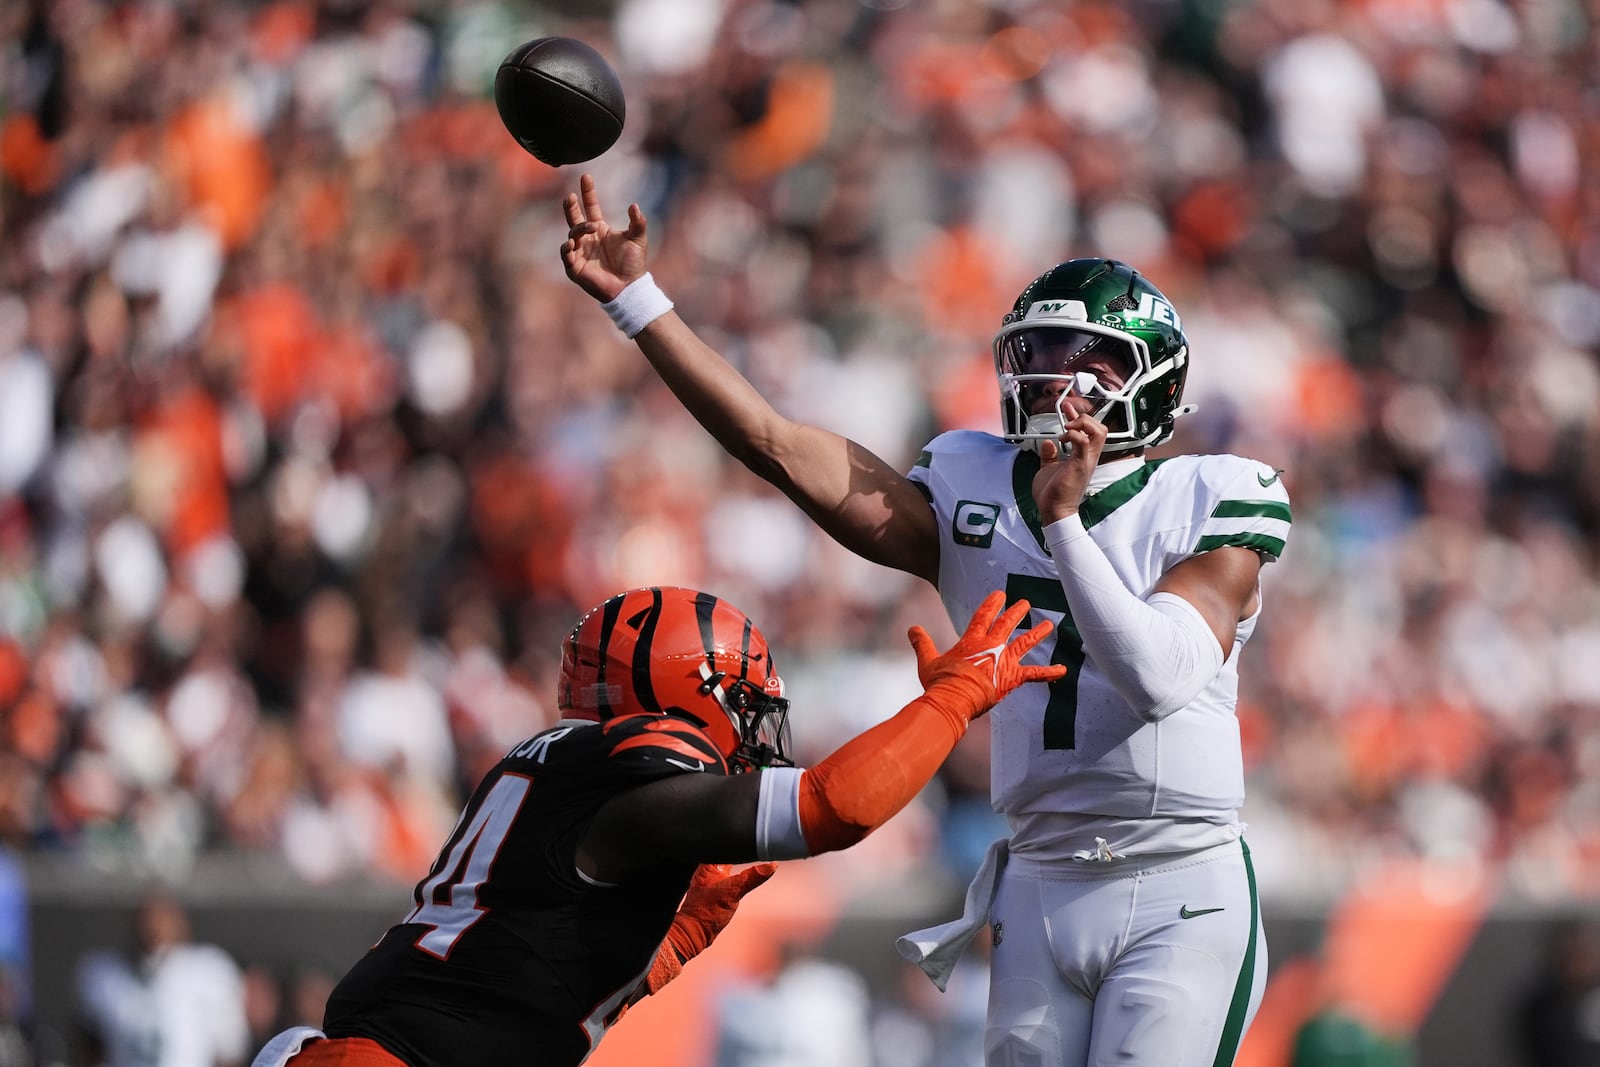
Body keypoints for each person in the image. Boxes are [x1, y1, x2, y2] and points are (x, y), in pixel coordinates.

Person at [559, 174, 1292, 1066]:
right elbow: (777, 444)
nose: (1050, 377)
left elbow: (1158, 677)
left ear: (1150, 376)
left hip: (1180, 881)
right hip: (1039, 877)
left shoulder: (1212, 493)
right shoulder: (972, 482)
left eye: (1082, 355)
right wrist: (638, 300)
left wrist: (1062, 522)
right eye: (1039, 350)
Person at [250, 585, 1062, 1067]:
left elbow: (524, 969)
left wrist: (661, 950)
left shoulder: (563, 767)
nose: (752, 732)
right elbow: (831, 806)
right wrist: (953, 700)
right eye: (743, 704)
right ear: (682, 693)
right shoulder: (631, 766)